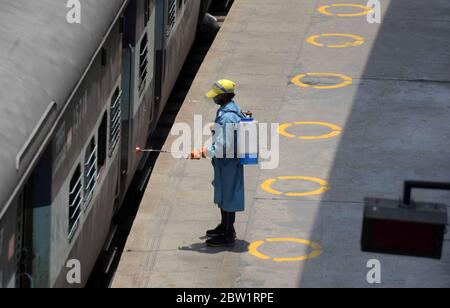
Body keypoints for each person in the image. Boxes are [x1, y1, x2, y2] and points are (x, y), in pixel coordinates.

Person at [189, 79, 245, 247]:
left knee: (228, 195)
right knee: (223, 193)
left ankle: (228, 234)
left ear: (225, 96)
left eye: (217, 96)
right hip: (224, 163)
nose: (214, 98)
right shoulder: (227, 110)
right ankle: (224, 226)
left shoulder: (228, 116)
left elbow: (223, 145)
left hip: (228, 162)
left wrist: (203, 152)